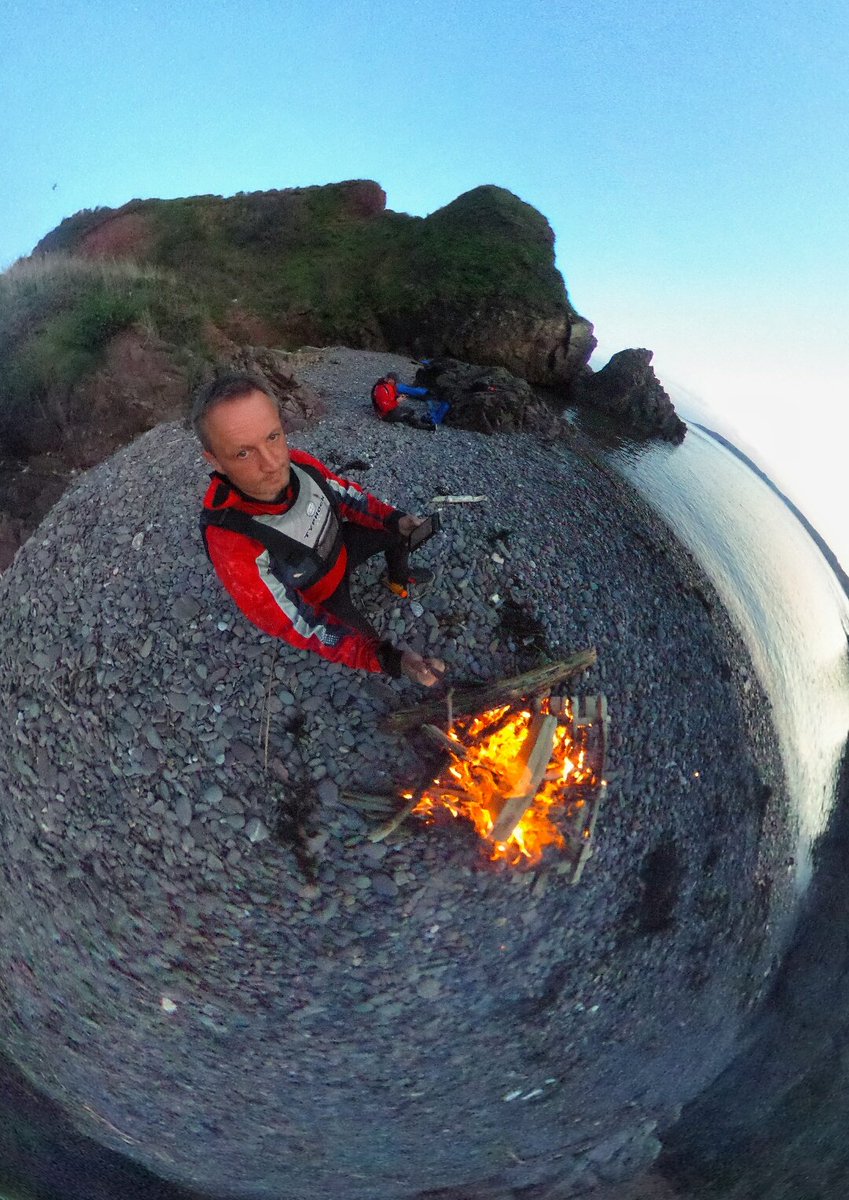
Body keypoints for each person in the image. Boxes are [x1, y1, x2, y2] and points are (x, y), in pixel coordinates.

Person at [192, 373, 445, 686]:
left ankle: (398, 577)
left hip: (340, 544)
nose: (272, 463)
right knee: (370, 648)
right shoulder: (232, 537)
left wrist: (396, 519)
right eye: (243, 453)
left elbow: (349, 496)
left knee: (397, 528)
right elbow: (297, 622)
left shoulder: (299, 463)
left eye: (273, 437)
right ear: (214, 460)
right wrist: (391, 660)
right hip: (322, 596)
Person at [371, 373, 436, 429]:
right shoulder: (381, 389)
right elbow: (384, 408)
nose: (396, 383)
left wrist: (399, 396)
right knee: (406, 416)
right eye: (395, 381)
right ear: (390, 380)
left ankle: (418, 421)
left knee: (411, 411)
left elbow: (391, 396)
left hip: (393, 408)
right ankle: (424, 426)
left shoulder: (390, 385)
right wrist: (397, 401)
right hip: (385, 415)